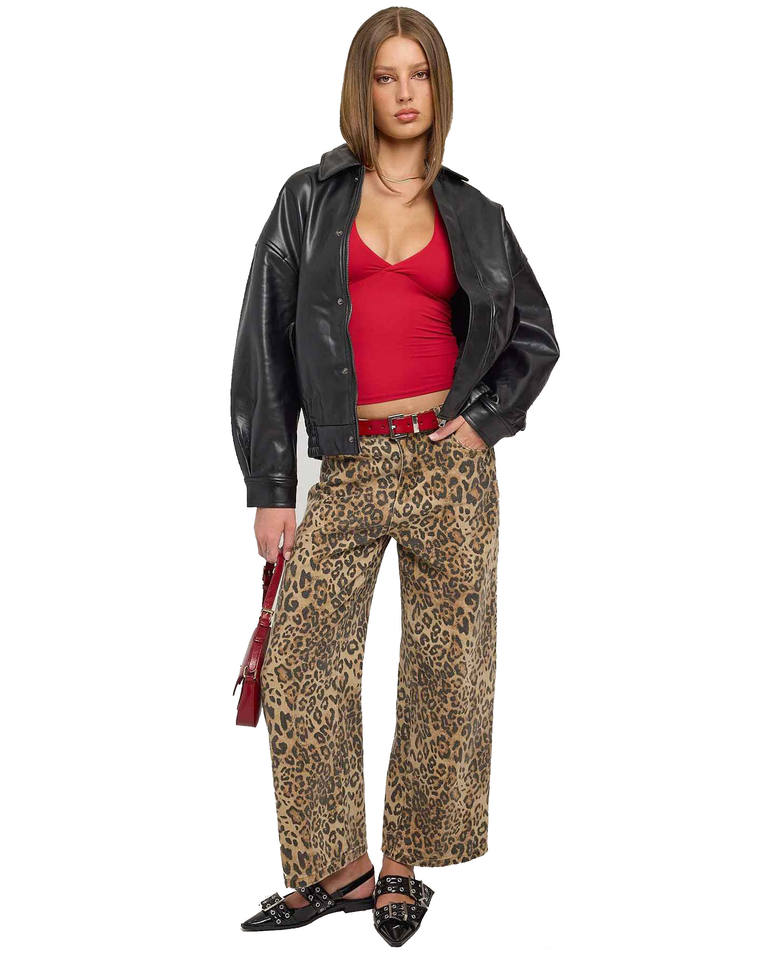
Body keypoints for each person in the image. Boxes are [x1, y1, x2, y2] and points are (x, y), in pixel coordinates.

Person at [230, 6, 559, 947]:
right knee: (301, 665)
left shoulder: (476, 215)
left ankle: (406, 867)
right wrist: (271, 487)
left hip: (448, 467)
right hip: (346, 460)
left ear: (438, 88)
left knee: (445, 670)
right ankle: (341, 871)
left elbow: (536, 337)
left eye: (419, 75)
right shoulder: (309, 199)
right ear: (362, 88)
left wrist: (483, 425)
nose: (405, 93)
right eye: (386, 76)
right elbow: (264, 346)